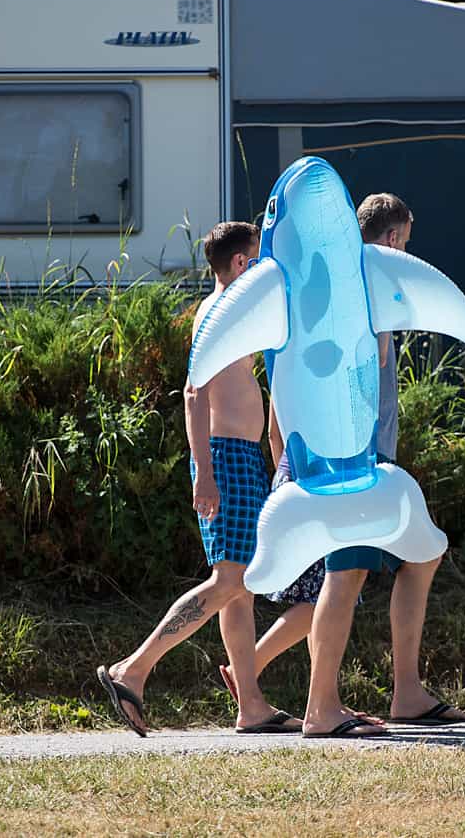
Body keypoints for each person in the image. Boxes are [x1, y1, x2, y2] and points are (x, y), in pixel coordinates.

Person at [243, 193, 465, 738]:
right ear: (393, 239)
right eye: (405, 242)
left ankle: (407, 692)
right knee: (345, 576)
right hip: (353, 464)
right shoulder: (365, 284)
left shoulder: (336, 283)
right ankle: (322, 709)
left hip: (368, 464)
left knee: (423, 556)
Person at [96, 221, 301, 736]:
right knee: (228, 581)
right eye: (256, 259)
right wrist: (204, 473)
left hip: (240, 459)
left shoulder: (234, 312)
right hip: (225, 459)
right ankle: (133, 669)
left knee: (243, 588)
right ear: (239, 264)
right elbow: (194, 393)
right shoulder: (218, 314)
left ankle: (251, 706)